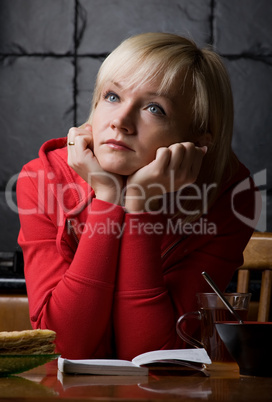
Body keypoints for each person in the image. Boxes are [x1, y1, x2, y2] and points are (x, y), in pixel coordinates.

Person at [17, 32, 260, 360]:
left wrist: (139, 203)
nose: (120, 122)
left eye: (154, 108)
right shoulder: (43, 178)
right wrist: (108, 196)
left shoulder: (229, 195)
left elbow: (150, 355)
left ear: (196, 142)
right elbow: (67, 347)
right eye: (113, 96)